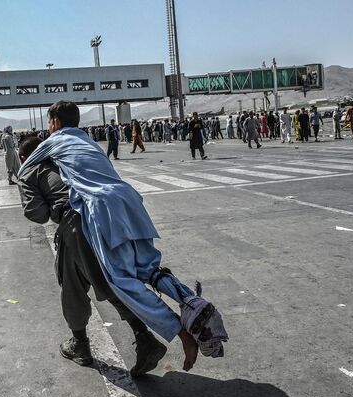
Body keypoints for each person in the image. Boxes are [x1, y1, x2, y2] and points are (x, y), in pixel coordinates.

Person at [17, 101, 227, 374]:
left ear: (54, 123)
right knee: (147, 271)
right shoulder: (85, 143)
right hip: (129, 204)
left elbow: (37, 212)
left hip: (90, 216)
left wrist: (32, 182)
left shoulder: (45, 151)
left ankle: (178, 333)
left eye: (49, 123)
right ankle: (187, 306)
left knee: (115, 281)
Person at [17, 136, 168, 376]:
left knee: (76, 285)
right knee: (110, 278)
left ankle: (86, 345)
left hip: (76, 224)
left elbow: (37, 214)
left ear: (23, 157)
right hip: (105, 215)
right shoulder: (65, 157)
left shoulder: (29, 169)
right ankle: (142, 337)